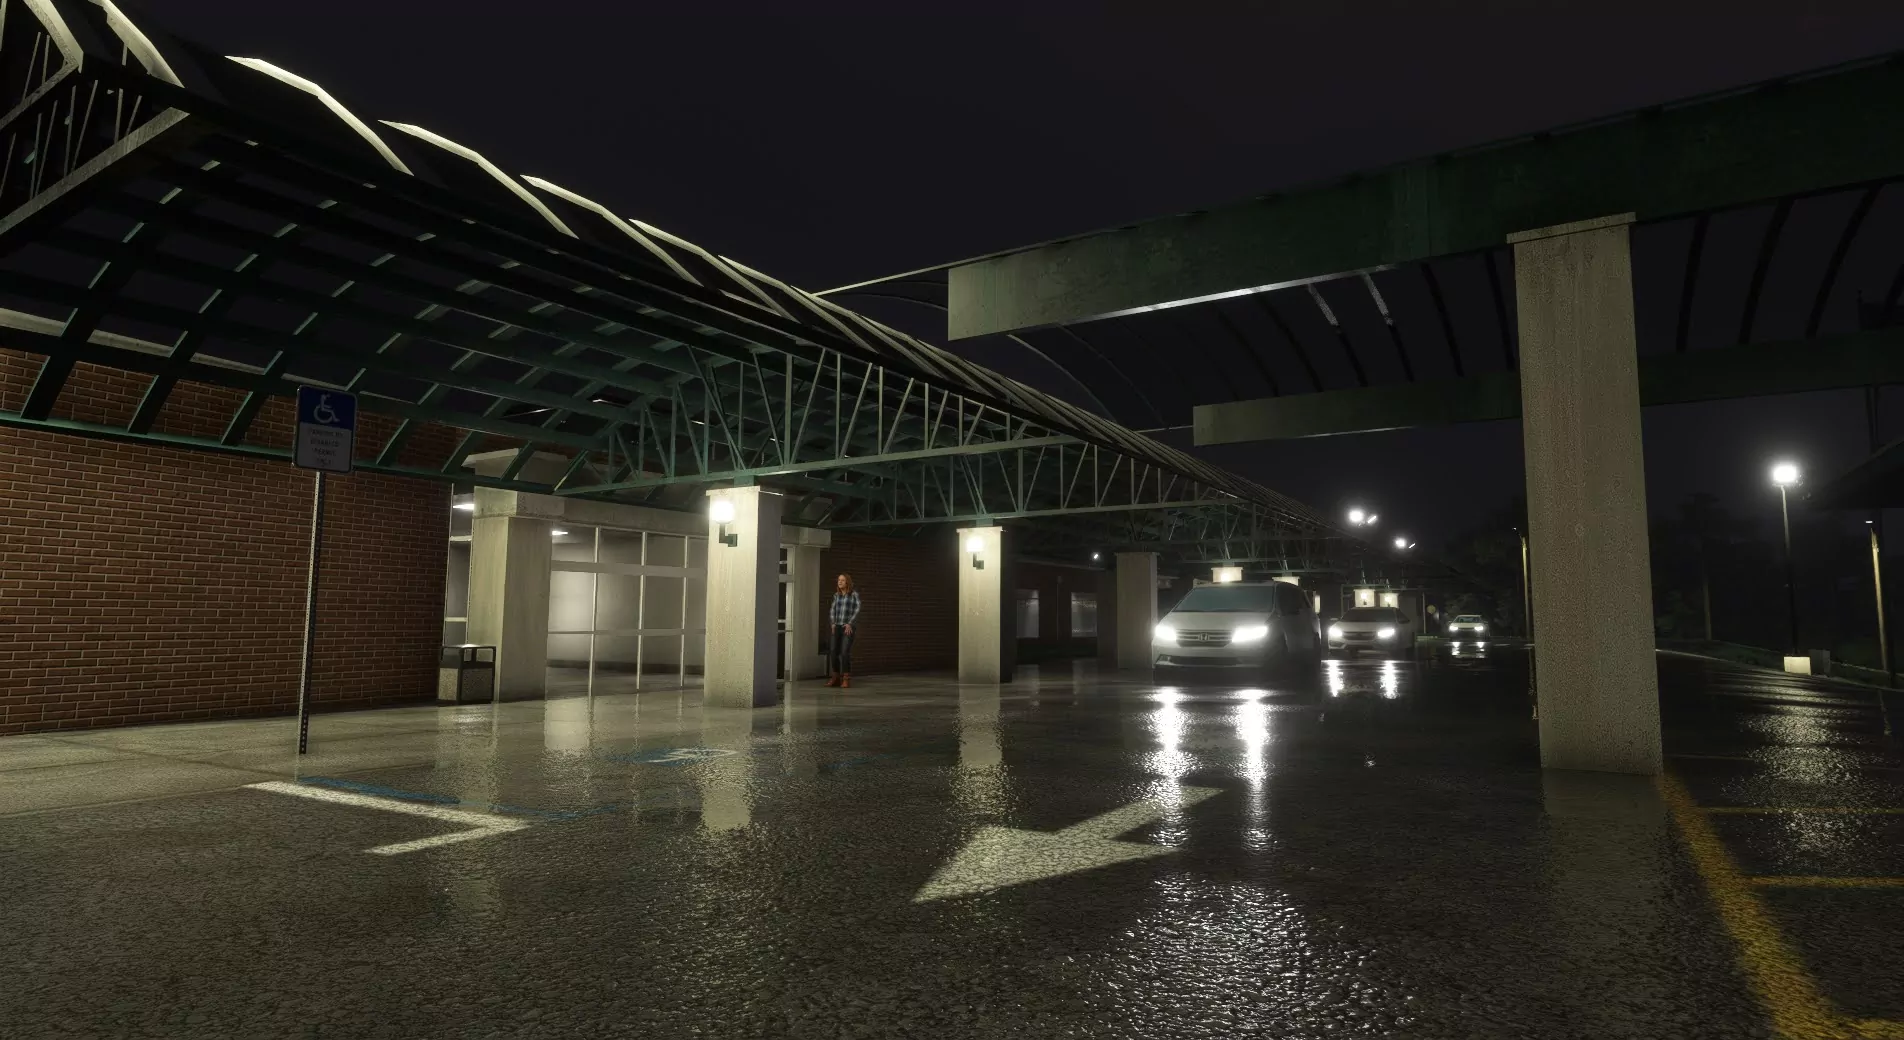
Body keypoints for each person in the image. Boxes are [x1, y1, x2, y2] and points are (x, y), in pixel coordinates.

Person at [825, 573, 860, 688]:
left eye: (842, 580)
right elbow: (832, 610)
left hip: (847, 627)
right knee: (833, 651)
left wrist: (850, 623)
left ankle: (846, 678)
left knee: (844, 652)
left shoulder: (853, 595)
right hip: (837, 627)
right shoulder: (836, 595)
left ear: (847, 582)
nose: (839, 582)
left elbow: (857, 610)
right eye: (839, 580)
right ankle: (836, 678)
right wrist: (832, 623)